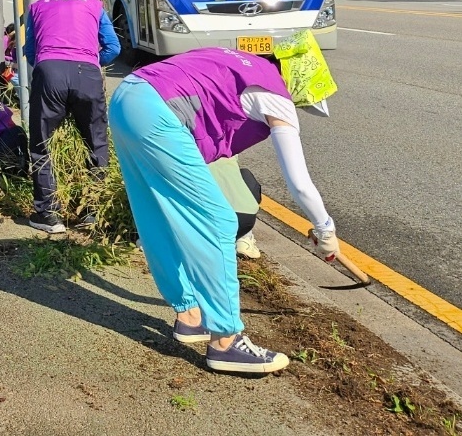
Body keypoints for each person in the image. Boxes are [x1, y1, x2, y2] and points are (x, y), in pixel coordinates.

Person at [109, 46, 339, 376]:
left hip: (127, 97)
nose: (298, 106)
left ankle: (190, 317)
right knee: (218, 220)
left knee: (155, 213)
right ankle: (225, 342)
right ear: (297, 82)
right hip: (157, 113)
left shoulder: (239, 62)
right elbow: (300, 183)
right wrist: (325, 228)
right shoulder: (275, 94)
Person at [24, 0, 121, 234]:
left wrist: (50, 72)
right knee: (96, 143)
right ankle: (94, 210)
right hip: (87, 73)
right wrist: (90, 61)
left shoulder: (37, 7)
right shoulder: (94, 4)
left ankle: (49, 215)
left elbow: (31, 52)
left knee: (42, 144)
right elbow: (114, 46)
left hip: (50, 72)